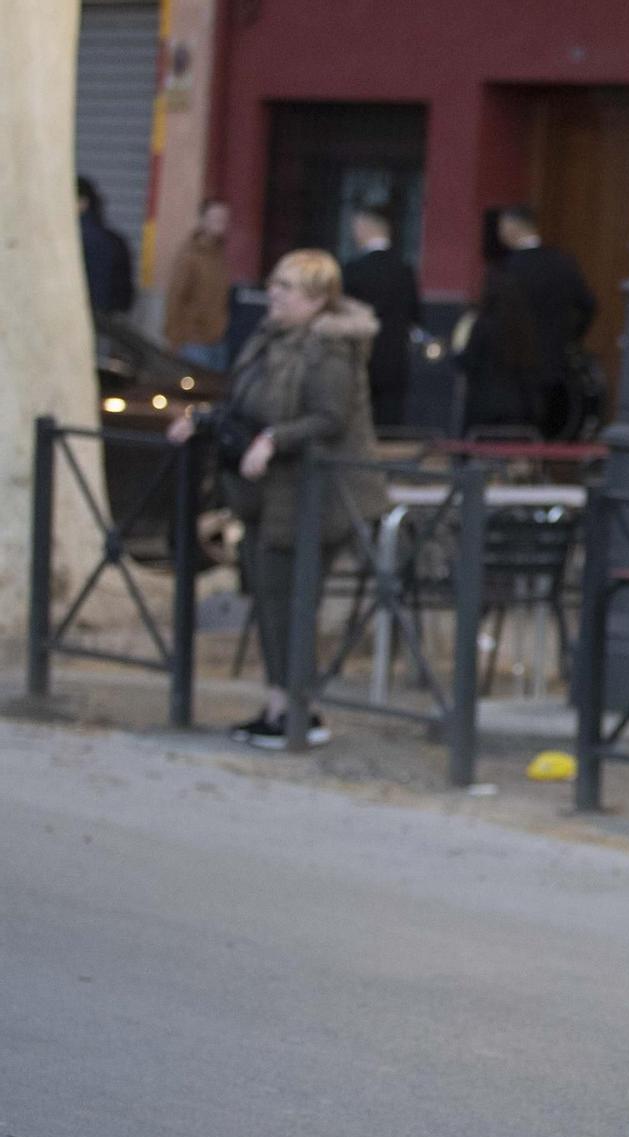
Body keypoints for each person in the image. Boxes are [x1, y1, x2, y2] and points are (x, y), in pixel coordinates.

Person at [167, 250, 384, 749]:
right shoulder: (270, 338)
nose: (274, 295)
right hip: (270, 494)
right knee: (269, 598)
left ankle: (298, 711)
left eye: (286, 288)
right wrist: (204, 421)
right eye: (274, 285)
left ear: (316, 298)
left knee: (290, 600)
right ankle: (280, 706)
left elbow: (330, 419)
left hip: (318, 498)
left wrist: (275, 439)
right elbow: (244, 400)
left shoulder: (331, 349)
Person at [497, 204, 596, 438]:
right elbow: (589, 305)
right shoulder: (562, 262)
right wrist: (571, 338)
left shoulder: (509, 268)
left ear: (513, 228)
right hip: (555, 358)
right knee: (550, 424)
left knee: (519, 425)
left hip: (516, 361)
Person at [341, 205, 422, 428]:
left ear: (364, 227)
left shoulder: (354, 269)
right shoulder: (405, 269)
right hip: (395, 357)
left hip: (359, 356)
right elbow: (415, 314)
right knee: (390, 423)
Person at [455, 266, 542, 433]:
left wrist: (456, 356)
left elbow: (470, 361)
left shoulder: (483, 324)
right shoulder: (524, 328)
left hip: (484, 406)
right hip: (517, 408)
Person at [163, 198, 233, 370]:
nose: (221, 224)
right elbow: (175, 297)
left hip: (217, 336)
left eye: (224, 219)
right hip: (194, 338)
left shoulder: (219, 254)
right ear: (203, 220)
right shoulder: (191, 255)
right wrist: (174, 338)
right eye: (215, 219)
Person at [77, 177, 134, 320]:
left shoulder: (81, 238)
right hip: (108, 321)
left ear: (83, 203)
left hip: (92, 320)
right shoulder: (112, 239)